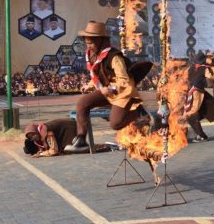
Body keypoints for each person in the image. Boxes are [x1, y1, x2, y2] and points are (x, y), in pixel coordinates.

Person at [65, 21, 152, 151]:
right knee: (82, 103)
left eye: (91, 42)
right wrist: (89, 85)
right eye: (87, 42)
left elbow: (124, 81)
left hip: (124, 92)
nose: (88, 45)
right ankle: (81, 140)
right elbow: (98, 73)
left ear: (101, 40)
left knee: (115, 123)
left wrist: (110, 89)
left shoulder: (114, 57)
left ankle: (140, 114)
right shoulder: (91, 54)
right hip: (107, 91)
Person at [182, 52, 214, 142]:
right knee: (193, 114)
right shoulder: (205, 68)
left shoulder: (191, 68)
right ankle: (200, 135)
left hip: (193, 92)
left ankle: (201, 135)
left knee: (192, 114)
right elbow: (211, 77)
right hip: (196, 92)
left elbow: (186, 79)